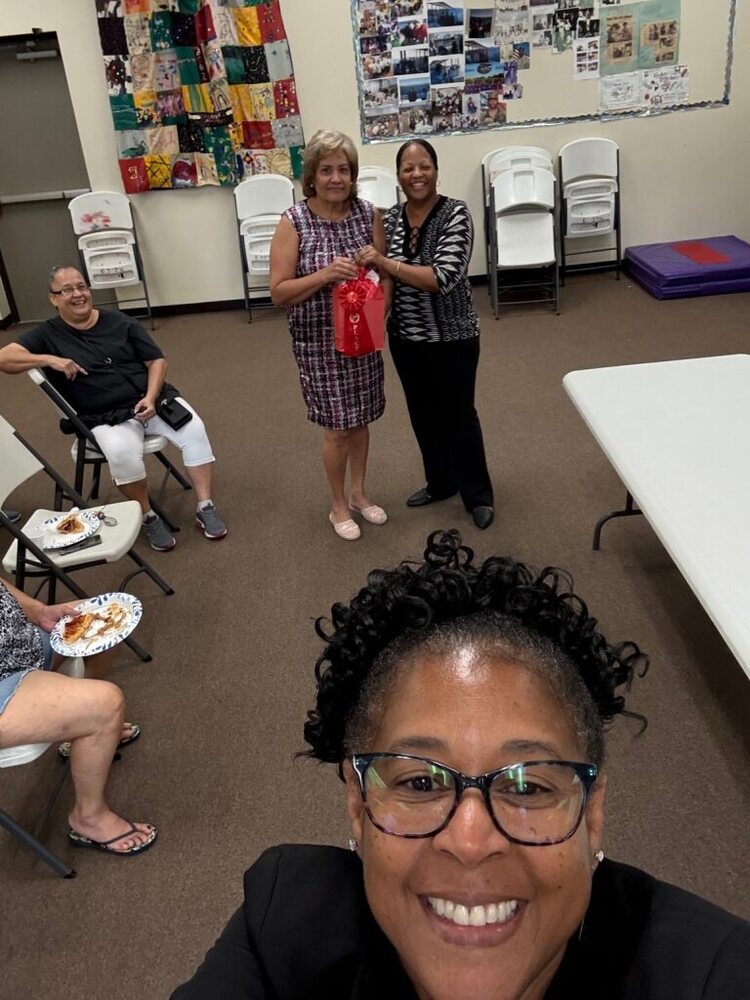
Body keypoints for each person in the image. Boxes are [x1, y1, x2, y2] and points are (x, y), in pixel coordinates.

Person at [172, 529, 750, 998]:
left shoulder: (710, 970)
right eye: (420, 781)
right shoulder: (284, 925)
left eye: (526, 786)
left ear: (592, 809)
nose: (470, 842)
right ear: (357, 800)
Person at [0, 266, 227, 552]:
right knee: (121, 454)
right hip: (104, 415)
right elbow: (4, 358)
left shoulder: (119, 321)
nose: (77, 294)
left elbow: (156, 361)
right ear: (53, 299)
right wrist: (50, 360)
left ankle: (204, 505)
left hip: (152, 400)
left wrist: (151, 395)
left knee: (194, 428)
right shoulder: (47, 334)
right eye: (67, 290)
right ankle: (147, 515)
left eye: (81, 287)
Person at [356, 139, 495, 531]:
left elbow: (442, 277)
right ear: (398, 176)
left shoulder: (456, 213)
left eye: (423, 166)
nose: (416, 174)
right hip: (407, 338)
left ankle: (478, 494)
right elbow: (380, 280)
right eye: (407, 168)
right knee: (423, 415)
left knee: (459, 414)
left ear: (436, 169)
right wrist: (369, 323)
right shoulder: (391, 218)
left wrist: (385, 262)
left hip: (454, 337)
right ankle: (440, 482)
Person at [270, 129, 389, 542]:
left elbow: (383, 272)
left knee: (361, 421)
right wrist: (324, 275)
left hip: (363, 336)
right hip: (318, 342)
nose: (336, 178)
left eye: (343, 169)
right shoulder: (294, 221)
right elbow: (278, 292)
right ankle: (337, 503)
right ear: (312, 177)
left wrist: (378, 315)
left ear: (353, 174)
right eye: (326, 170)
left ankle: (359, 494)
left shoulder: (368, 213)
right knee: (337, 426)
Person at [0, 577, 156, 856]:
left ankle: (86, 730)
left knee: (104, 616)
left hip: (20, 641)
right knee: (105, 704)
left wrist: (39, 611)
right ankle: (88, 817)